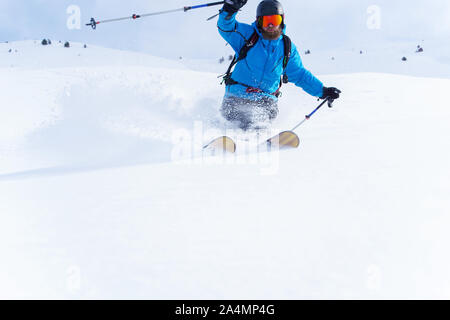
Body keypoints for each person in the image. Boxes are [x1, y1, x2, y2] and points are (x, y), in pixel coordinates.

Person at [218, 0, 341, 130]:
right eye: (266, 21)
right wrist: (229, 9)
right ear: (259, 22)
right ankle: (226, 137)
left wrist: (323, 91)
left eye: (275, 20)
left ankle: (260, 141)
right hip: (237, 96)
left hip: (266, 101)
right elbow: (226, 27)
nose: (270, 25)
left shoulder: (286, 47)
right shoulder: (248, 35)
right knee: (233, 123)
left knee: (258, 123)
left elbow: (299, 75)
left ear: (281, 20)